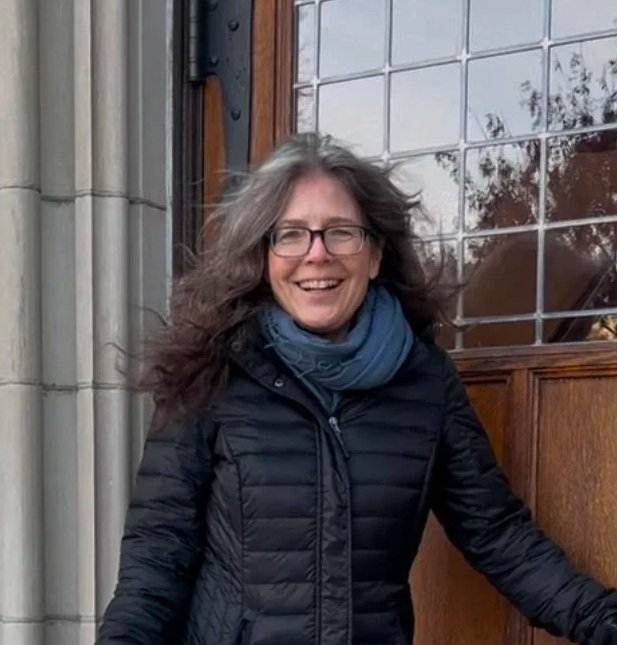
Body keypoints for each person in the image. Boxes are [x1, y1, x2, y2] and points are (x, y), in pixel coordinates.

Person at [96, 133, 617, 645]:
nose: (317, 254)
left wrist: (602, 619)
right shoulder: (213, 372)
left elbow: (499, 535)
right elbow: (157, 557)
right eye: (290, 234)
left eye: (341, 232)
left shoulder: (424, 381)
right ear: (264, 257)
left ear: (374, 255)